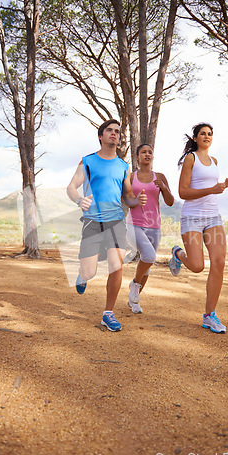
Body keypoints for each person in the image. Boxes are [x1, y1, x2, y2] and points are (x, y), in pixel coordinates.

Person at [66, 119, 147, 332]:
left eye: (117, 132)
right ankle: (83, 275)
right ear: (100, 136)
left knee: (116, 265)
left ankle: (108, 314)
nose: (114, 134)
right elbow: (72, 187)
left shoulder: (123, 166)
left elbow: (127, 195)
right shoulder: (88, 161)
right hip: (92, 220)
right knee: (90, 271)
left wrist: (135, 201)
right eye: (109, 131)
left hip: (116, 220)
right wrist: (78, 200)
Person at [169, 123, 228, 333]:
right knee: (197, 266)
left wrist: (224, 185)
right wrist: (211, 189)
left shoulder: (214, 161)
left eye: (210, 134)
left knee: (219, 262)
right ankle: (178, 253)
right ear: (195, 138)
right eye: (203, 134)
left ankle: (209, 315)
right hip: (192, 218)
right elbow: (183, 192)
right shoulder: (191, 159)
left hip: (213, 217)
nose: (207, 136)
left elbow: (213, 189)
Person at [126, 143, 174, 313]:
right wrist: (136, 201)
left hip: (155, 226)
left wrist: (164, 187)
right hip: (134, 224)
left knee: (146, 265)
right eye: (143, 152)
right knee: (149, 256)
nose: (147, 154)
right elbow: (126, 200)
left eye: (150, 152)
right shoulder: (131, 177)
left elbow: (170, 201)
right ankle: (134, 286)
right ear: (137, 156)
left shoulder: (159, 176)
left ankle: (134, 301)